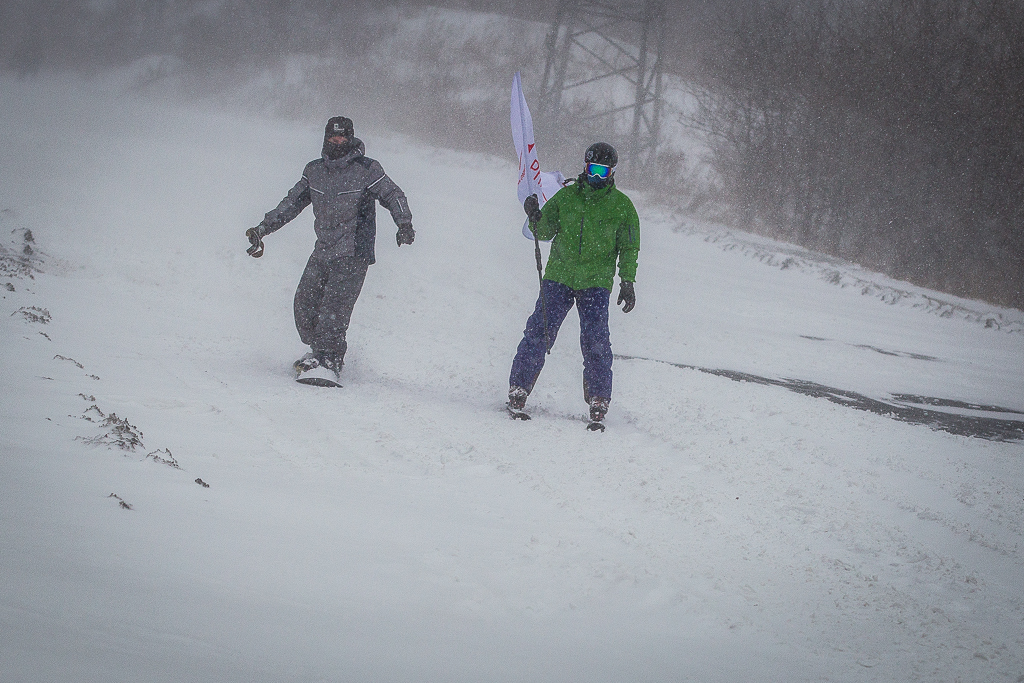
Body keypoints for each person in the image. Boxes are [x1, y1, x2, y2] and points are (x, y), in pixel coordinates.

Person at [246, 116, 414, 385]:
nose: (337, 141)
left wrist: (404, 223)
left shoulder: (367, 170)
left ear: (350, 139)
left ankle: (330, 361)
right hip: (323, 250)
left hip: (353, 252)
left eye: (342, 137)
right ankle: (319, 352)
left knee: (333, 311)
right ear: (325, 138)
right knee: (303, 306)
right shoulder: (315, 171)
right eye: (333, 137)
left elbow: (393, 194)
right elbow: (291, 203)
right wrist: (263, 229)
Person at [508, 142, 639, 426]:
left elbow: (629, 247)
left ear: (612, 172)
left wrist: (627, 280)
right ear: (584, 166)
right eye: (593, 169)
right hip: (559, 277)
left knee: (596, 342)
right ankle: (519, 387)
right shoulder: (566, 198)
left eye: (603, 171)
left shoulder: (622, 207)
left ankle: (599, 397)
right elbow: (542, 231)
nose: (596, 176)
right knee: (538, 333)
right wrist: (533, 214)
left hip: (596, 283)